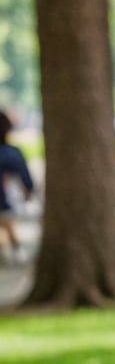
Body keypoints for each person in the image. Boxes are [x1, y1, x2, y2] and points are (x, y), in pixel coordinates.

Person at [0, 110, 35, 264]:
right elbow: (26, 181)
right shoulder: (12, 153)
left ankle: (11, 248)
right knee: (7, 221)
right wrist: (29, 191)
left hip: (6, 201)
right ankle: (15, 248)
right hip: (7, 202)